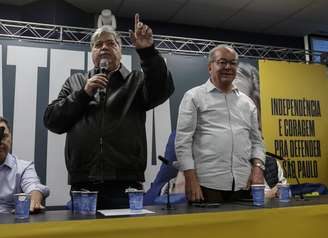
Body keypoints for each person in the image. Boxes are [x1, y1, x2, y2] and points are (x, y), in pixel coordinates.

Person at [43, 14, 174, 209]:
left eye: (111, 43)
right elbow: (52, 120)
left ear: (120, 50)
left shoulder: (136, 81)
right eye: (98, 44)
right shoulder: (76, 82)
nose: (104, 47)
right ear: (92, 52)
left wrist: (147, 52)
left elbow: (163, 89)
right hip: (83, 183)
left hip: (125, 183)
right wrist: (84, 93)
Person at [175, 44, 265, 203]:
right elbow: (183, 142)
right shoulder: (194, 97)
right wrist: (190, 179)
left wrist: (258, 169)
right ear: (210, 67)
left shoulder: (247, 103)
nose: (228, 67)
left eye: (233, 63)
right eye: (222, 62)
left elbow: (257, 142)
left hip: (243, 186)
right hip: (206, 186)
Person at [0, 116, 49, 213]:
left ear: (11, 137)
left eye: (4, 136)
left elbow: (34, 186)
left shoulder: (23, 167)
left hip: (11, 223)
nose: (1, 141)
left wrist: (34, 198)